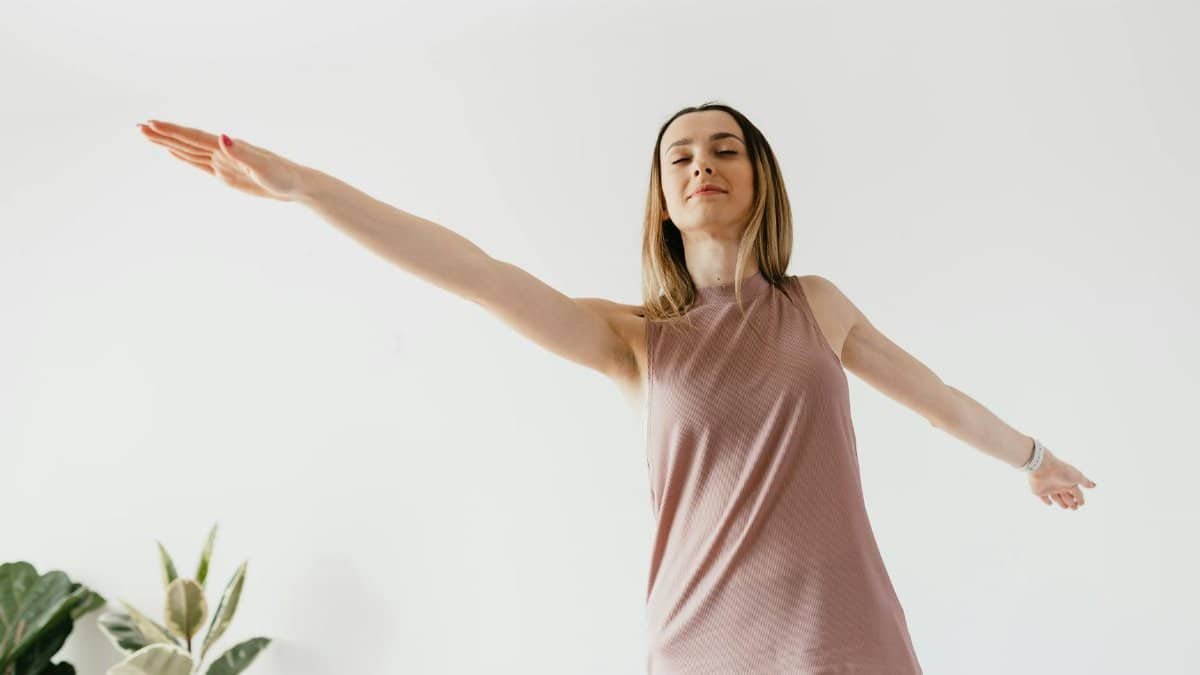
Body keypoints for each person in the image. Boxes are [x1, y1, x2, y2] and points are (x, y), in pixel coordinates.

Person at [136, 102, 1097, 673]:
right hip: (704, 637)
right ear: (663, 198)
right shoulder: (631, 339)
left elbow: (932, 394)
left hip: (843, 628)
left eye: (724, 149)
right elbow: (471, 269)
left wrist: (1034, 456)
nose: (702, 164)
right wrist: (307, 187)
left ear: (758, 175)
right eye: (680, 156)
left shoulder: (817, 305)